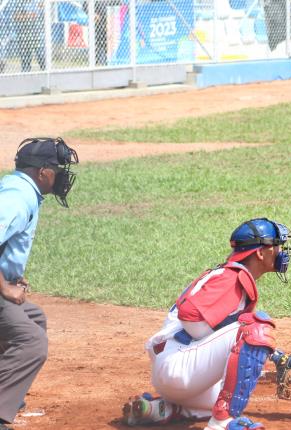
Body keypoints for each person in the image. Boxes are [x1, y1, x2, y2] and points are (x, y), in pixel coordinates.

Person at [123, 217, 291, 430]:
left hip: (177, 370)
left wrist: (278, 356)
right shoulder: (232, 278)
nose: (281, 251)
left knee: (226, 388)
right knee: (255, 329)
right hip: (179, 368)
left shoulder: (228, 274)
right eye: (277, 245)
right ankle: (222, 421)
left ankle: (164, 409)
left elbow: (220, 330)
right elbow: (190, 316)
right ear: (260, 253)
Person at [0, 137, 79, 429]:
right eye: (58, 170)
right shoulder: (17, 198)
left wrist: (9, 274)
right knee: (32, 343)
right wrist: (5, 287)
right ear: (43, 171)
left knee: (33, 318)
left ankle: (8, 394)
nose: (61, 177)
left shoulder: (18, 188)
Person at [12, 0, 45, 73]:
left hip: (37, 33)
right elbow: (15, 16)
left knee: (41, 55)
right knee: (25, 59)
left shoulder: (37, 2)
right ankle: (25, 77)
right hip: (24, 34)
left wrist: (42, 7)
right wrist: (29, 16)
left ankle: (46, 74)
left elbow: (43, 12)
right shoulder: (19, 3)